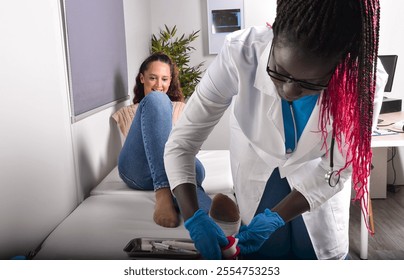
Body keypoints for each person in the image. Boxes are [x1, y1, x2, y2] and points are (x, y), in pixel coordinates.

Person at [164, 0, 388, 259]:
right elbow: (182, 144)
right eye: (279, 72)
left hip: (317, 177)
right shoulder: (241, 53)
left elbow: (338, 165)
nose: (290, 91)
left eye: (310, 84)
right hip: (257, 161)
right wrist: (194, 218)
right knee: (265, 255)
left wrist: (275, 218)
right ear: (275, 35)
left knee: (316, 255)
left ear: (337, 66)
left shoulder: (363, 81)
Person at [113, 52, 212, 228]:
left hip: (173, 165)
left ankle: (209, 216)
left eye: (165, 79)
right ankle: (163, 191)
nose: (159, 85)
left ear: (170, 81)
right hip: (139, 168)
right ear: (142, 78)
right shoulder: (130, 110)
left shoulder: (180, 108)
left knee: (197, 169)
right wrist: (155, 105)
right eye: (153, 78)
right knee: (157, 99)